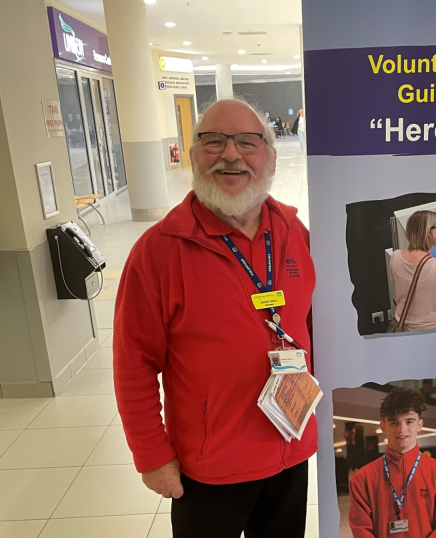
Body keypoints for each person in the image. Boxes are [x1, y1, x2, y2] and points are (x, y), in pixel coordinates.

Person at [113, 98, 317, 538]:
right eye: (213, 141)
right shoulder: (159, 251)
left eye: (247, 141)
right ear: (193, 156)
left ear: (271, 156)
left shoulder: (293, 232)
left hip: (291, 447)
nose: (230, 154)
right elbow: (134, 362)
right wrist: (152, 457)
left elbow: (315, 326)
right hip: (209, 468)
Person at [349, 388, 436, 538]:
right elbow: (361, 530)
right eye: (394, 423)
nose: (402, 430)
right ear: (383, 426)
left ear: (419, 425)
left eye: (409, 422)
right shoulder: (363, 479)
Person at [389, 210, 436, 331]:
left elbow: (397, 282)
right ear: (427, 232)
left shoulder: (395, 256)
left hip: (404, 328)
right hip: (434, 332)